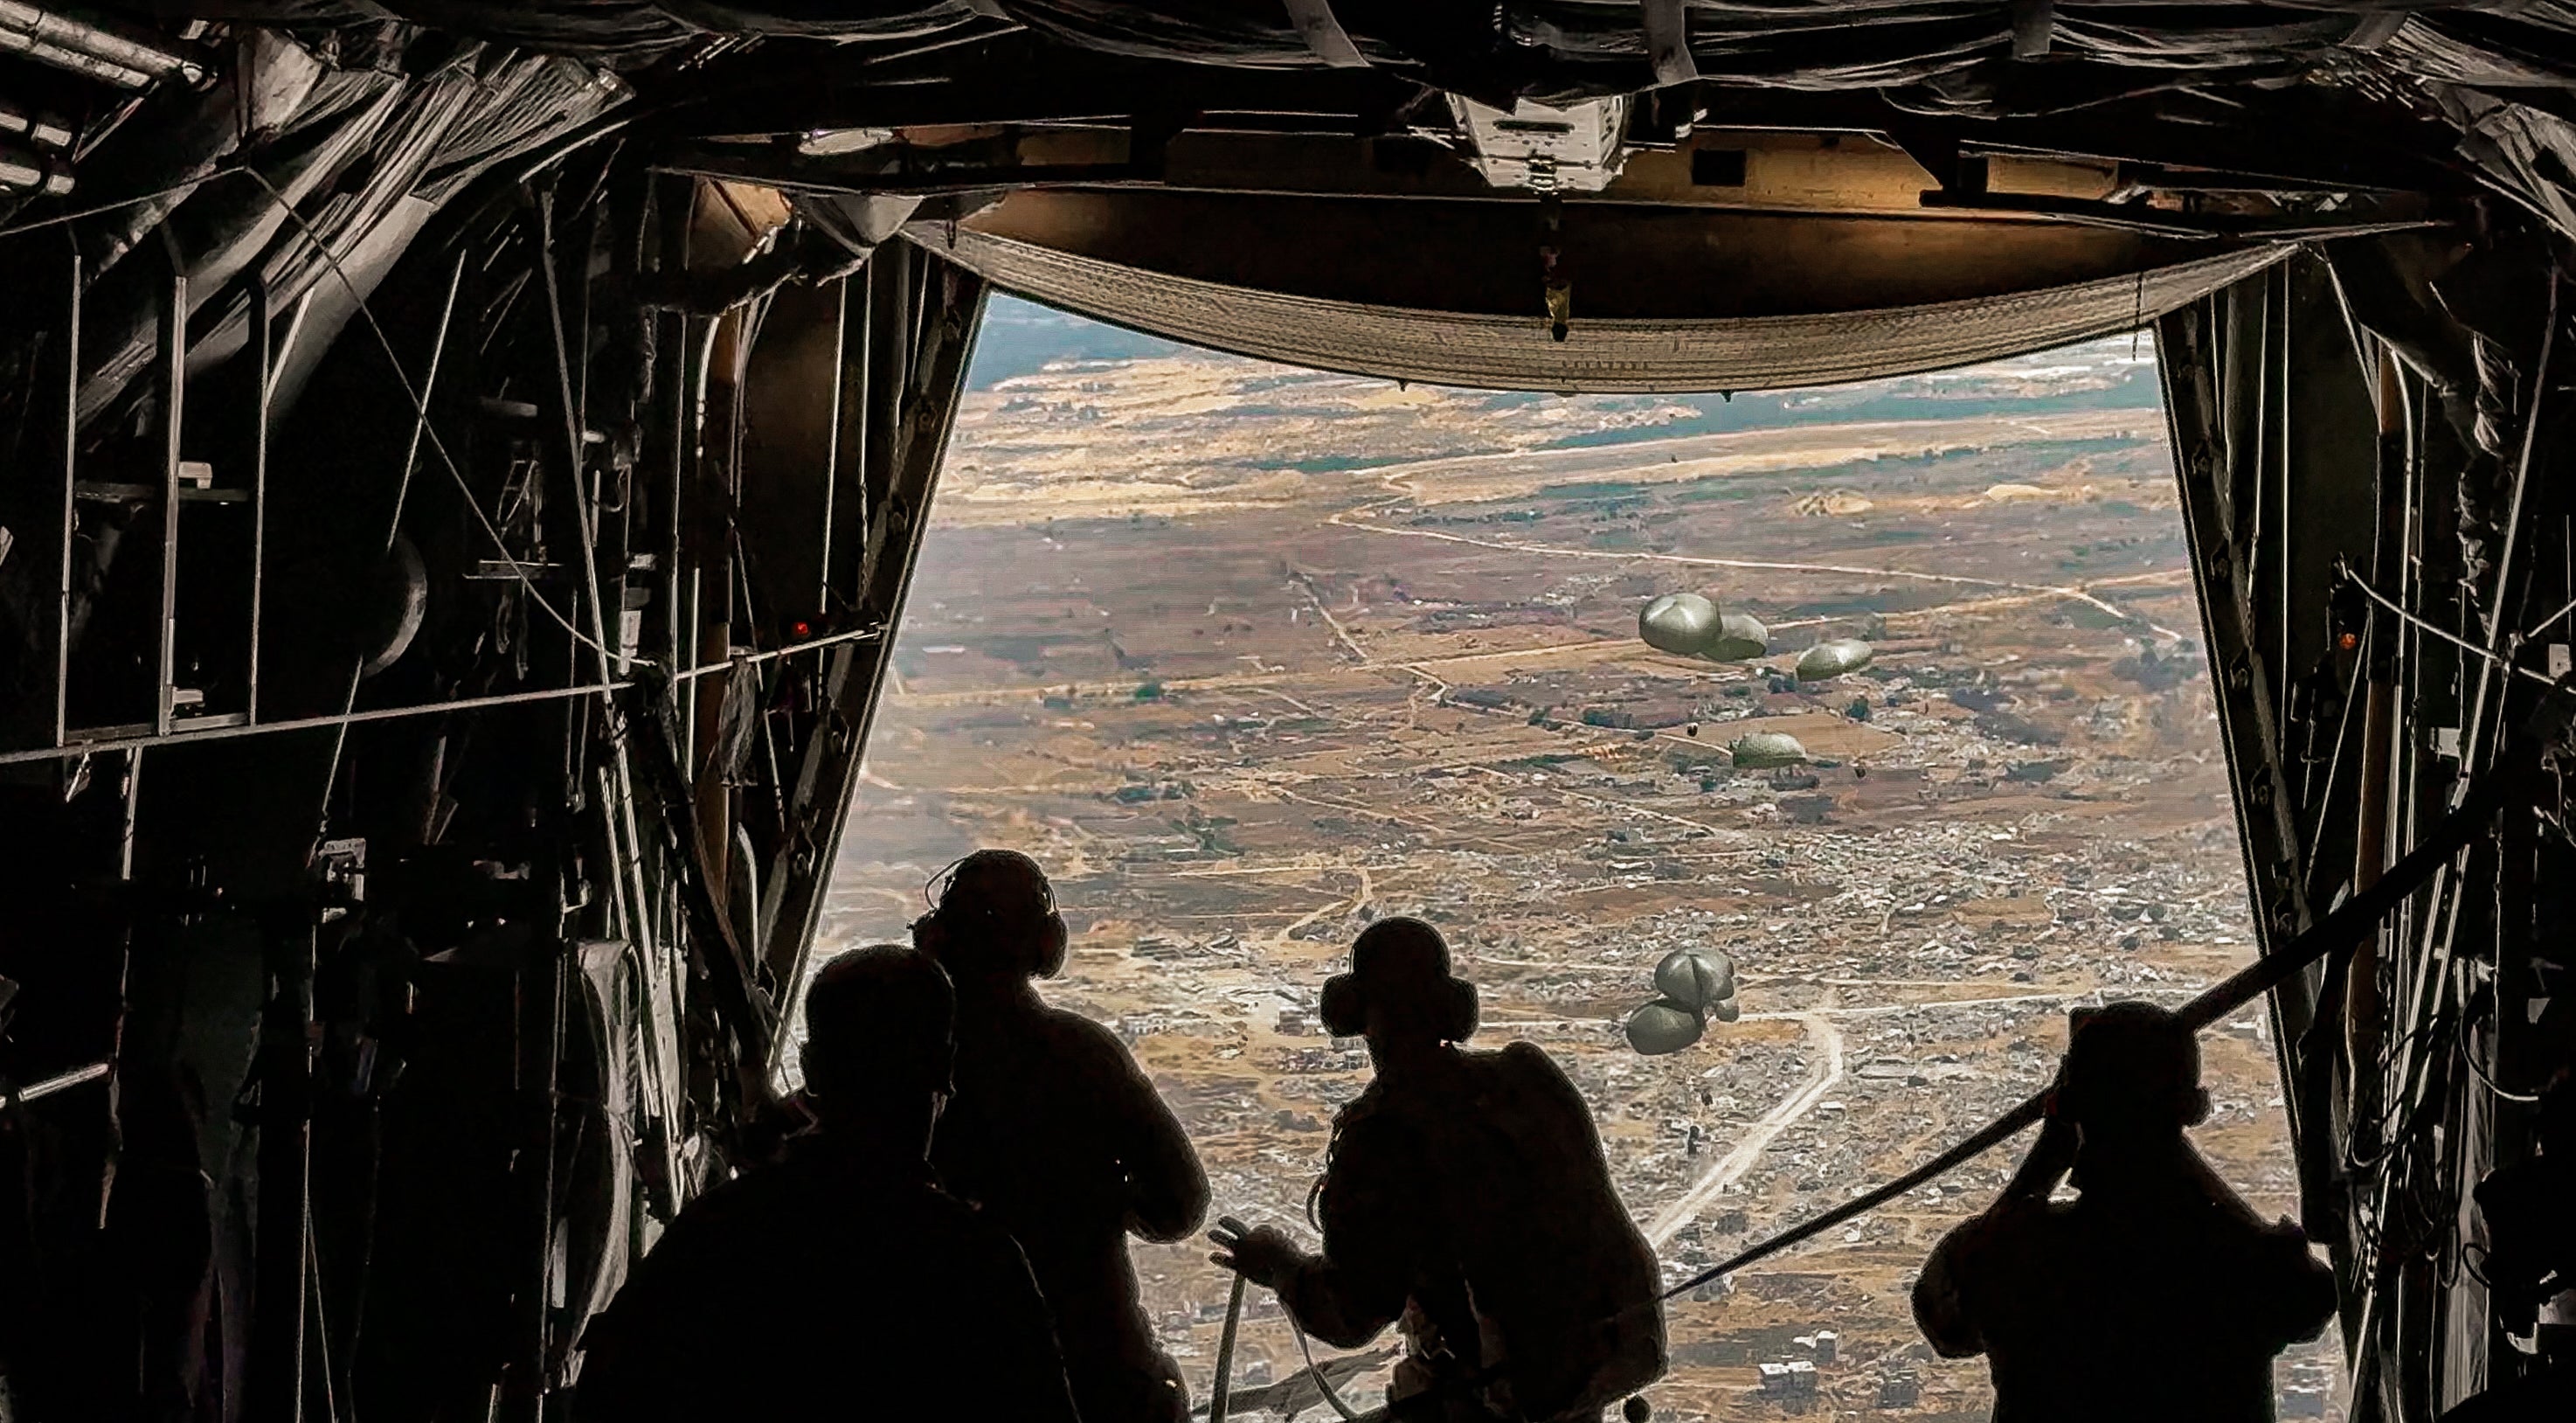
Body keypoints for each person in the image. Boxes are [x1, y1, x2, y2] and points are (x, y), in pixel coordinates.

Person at [575, 946, 1081, 1423]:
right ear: (945, 1069)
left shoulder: (714, 1234)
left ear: (812, 1069)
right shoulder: (976, 1264)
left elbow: (610, 1394)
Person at [1210, 918, 1665, 1423]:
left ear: (1354, 1012)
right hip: (1575, 1384)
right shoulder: (1526, 1081)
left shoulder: (1382, 1134)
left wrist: (1278, 1265)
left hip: (1481, 1398)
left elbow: (1350, 1316)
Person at [1912, 1001, 2337, 1423]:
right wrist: (2169, 1133)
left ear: (2067, 1105)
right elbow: (2309, 1300)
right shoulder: (2242, 1266)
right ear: (2191, 1108)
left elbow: (1943, 1321)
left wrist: (2052, 1150)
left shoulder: (2018, 1255)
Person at [912, 850, 1209, 1423]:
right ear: (1047, 944)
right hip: (1097, 1375)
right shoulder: (1083, 1054)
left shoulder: (901, 1061)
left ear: (939, 939)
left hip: (949, 1379)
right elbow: (1179, 1205)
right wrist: (1093, 1198)